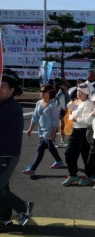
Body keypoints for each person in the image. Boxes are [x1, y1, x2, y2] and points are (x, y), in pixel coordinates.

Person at [0, 70, 34, 228]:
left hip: (6, 154)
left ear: (12, 89)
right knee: (2, 187)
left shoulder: (11, 107)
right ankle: (4, 218)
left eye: (3, 86)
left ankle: (23, 207)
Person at [23, 84, 64, 175]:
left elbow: (55, 120)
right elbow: (35, 117)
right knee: (50, 146)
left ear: (50, 93)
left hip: (49, 130)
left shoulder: (54, 104)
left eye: (44, 91)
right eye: (41, 91)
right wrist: (30, 129)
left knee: (40, 148)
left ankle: (32, 168)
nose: (41, 93)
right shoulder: (38, 103)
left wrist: (53, 133)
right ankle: (59, 161)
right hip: (41, 129)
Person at [61, 83, 95, 186]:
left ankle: (89, 176)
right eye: (77, 91)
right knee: (69, 153)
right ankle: (73, 175)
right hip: (75, 130)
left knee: (86, 155)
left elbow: (87, 120)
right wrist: (72, 106)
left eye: (81, 92)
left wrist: (74, 118)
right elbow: (69, 110)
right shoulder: (76, 102)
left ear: (86, 93)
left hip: (85, 131)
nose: (78, 93)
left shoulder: (90, 103)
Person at [54, 79, 71, 148]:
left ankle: (62, 141)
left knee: (63, 127)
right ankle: (54, 141)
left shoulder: (65, 92)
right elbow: (55, 99)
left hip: (64, 110)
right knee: (58, 126)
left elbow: (69, 101)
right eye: (65, 86)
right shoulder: (60, 92)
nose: (66, 87)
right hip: (60, 110)